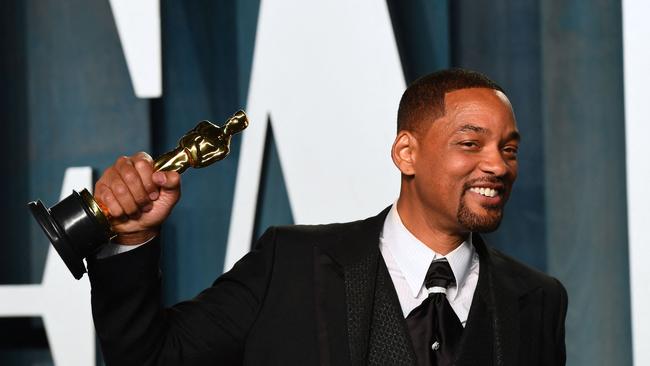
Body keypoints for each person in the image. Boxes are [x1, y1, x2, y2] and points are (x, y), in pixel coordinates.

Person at [88, 68, 567, 366]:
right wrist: (131, 238)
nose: (498, 166)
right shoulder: (290, 264)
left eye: (509, 150)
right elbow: (151, 358)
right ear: (407, 153)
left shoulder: (538, 300)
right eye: (470, 143)